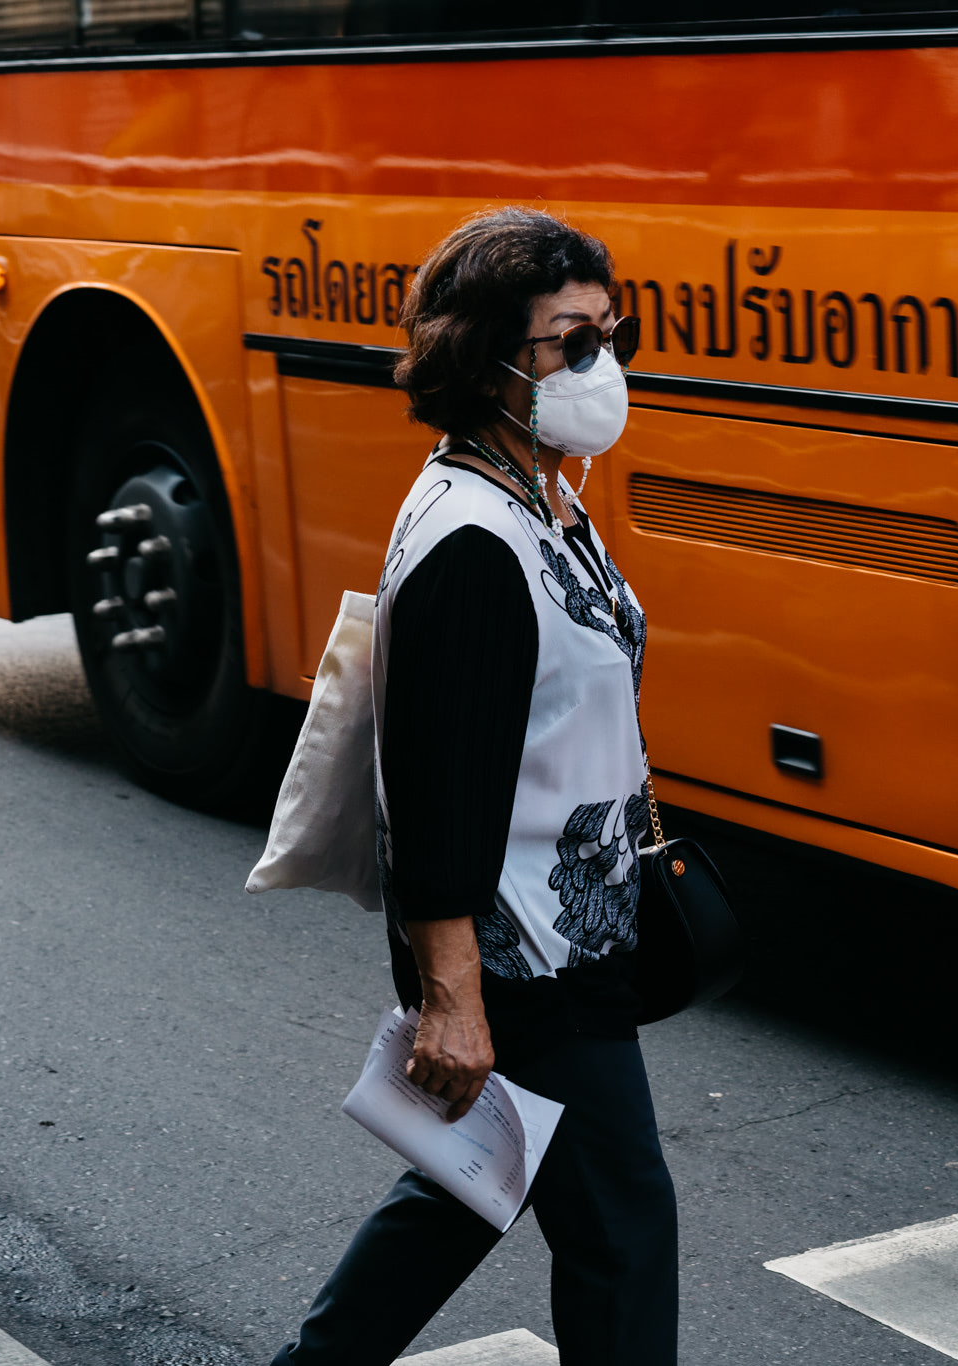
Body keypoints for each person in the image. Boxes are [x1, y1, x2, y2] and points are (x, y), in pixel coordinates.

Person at [268, 208, 674, 1366]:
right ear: (486, 358)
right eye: (571, 341)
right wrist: (454, 998)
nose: (604, 364)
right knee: (624, 1231)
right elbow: (436, 794)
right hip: (523, 954)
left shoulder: (540, 492)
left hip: (570, 931)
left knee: (468, 1182)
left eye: (613, 332)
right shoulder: (472, 540)